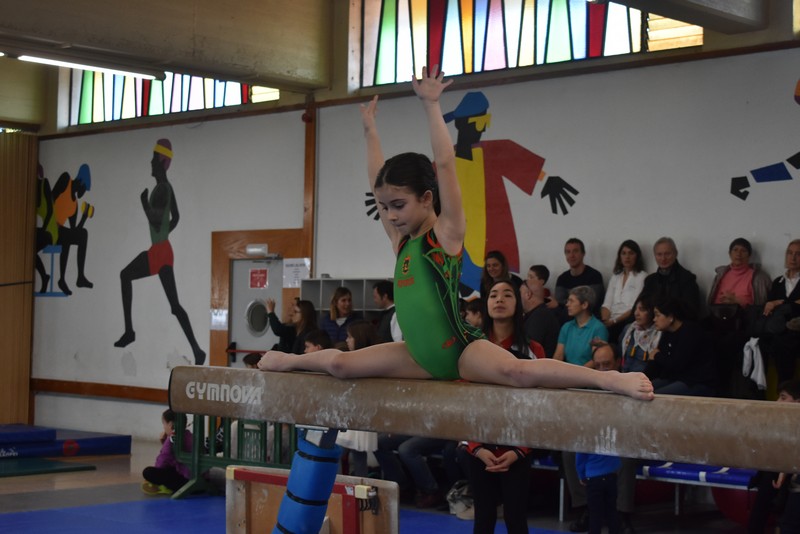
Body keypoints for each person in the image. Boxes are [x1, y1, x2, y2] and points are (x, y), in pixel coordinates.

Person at [258, 67, 652, 401]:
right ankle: (290, 360)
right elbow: (376, 179)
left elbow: (446, 164)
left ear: (427, 199)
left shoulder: (445, 234)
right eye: (385, 207)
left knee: (519, 373)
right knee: (341, 364)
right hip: (416, 355)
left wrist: (430, 105)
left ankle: (606, 379)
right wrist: (369, 131)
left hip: (461, 350)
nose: (391, 216)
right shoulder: (402, 243)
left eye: (399, 206)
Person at [114, 139, 206, 365]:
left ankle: (130, 332)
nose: (150, 162)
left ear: (162, 162)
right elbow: (175, 217)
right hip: (162, 249)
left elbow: (156, 222)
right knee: (174, 305)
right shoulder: (166, 188)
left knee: (126, 275)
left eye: (154, 158)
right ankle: (197, 350)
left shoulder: (162, 189)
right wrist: (164, 231)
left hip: (160, 252)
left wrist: (144, 204)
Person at [464, 280, 543, 532]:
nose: (499, 299)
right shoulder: (470, 348)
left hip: (517, 446)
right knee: (483, 519)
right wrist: (476, 448)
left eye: (507, 295)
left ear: (518, 306)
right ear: (486, 305)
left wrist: (520, 450)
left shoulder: (533, 350)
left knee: (516, 519)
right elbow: (461, 402)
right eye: (493, 295)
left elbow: (539, 406)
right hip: (479, 445)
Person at [746, 378, 800, 534]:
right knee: (768, 479)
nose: (777, 402)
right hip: (787, 465)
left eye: (783, 398)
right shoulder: (781, 421)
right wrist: (783, 470)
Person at [336, 320, 380, 477]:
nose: (346, 340)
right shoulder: (357, 359)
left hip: (359, 416)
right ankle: (357, 489)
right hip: (353, 414)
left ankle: (350, 490)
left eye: (350, 337)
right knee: (356, 456)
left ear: (359, 339)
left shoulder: (364, 362)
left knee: (342, 453)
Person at [647, 296, 716, 396]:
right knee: (643, 391)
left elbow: (677, 364)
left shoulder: (690, 331)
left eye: (657, 315)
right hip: (674, 378)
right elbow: (659, 362)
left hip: (696, 381)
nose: (654, 319)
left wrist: (657, 356)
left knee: (655, 397)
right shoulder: (667, 332)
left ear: (670, 317)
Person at [758, 239, 800, 385]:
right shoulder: (778, 282)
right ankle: (757, 393)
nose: (793, 258)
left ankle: (785, 390)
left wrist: (779, 303)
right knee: (756, 342)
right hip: (779, 329)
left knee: (784, 344)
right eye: (790, 253)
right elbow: (770, 307)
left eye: (798, 254)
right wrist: (782, 304)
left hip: (796, 330)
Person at [51, 164, 94, 295]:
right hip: (51, 228)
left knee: (82, 234)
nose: (83, 192)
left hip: (61, 233)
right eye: (84, 188)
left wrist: (84, 217)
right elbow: (51, 197)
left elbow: (75, 230)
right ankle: (62, 279)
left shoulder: (74, 205)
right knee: (66, 234)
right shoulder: (66, 179)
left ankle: (80, 276)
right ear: (80, 181)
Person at [640, 237, 702, 319]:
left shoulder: (687, 279)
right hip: (653, 324)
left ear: (676, 253)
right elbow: (642, 305)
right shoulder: (650, 280)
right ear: (655, 256)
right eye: (659, 254)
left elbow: (692, 312)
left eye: (667, 254)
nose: (663, 258)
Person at [600, 240, 647, 341]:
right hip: (611, 319)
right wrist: (605, 320)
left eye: (631, 253)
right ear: (620, 257)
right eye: (624, 253)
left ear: (637, 256)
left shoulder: (642, 277)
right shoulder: (615, 276)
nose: (627, 257)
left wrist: (614, 321)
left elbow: (634, 308)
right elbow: (607, 304)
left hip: (627, 319)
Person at [708, 237, 771, 310]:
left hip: (745, 318)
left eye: (743, 251)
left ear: (749, 255)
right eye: (735, 250)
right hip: (718, 315)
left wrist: (738, 301)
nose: (738, 254)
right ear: (729, 253)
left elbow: (761, 306)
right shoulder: (721, 275)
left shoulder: (759, 277)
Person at [553, 286, 609, 367]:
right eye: (568, 301)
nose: (567, 304)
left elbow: (595, 360)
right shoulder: (566, 327)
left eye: (571, 301)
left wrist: (575, 375)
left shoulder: (598, 328)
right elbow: (558, 356)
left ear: (584, 305)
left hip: (587, 375)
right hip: (568, 373)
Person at [142, 408, 192, 495]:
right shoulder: (190, 435)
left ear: (171, 424)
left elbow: (163, 461)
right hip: (200, 478)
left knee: (148, 472)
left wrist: (156, 475)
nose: (164, 427)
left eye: (164, 424)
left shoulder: (172, 438)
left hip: (186, 482)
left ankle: (164, 486)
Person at [554, 238, 605, 316]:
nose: (571, 255)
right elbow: (559, 302)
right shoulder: (562, 279)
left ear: (583, 253)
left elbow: (590, 303)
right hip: (567, 318)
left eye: (575, 251)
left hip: (589, 318)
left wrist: (566, 304)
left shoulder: (595, 276)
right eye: (568, 252)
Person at [619, 295, 661, 374]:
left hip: (644, 380)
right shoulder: (629, 329)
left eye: (641, 310)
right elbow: (619, 354)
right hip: (624, 376)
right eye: (635, 309)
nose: (636, 313)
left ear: (652, 312)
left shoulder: (659, 334)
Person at [519, 280, 560, 357]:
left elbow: (528, 349)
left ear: (528, 294)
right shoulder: (538, 314)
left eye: (519, 293)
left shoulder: (541, 316)